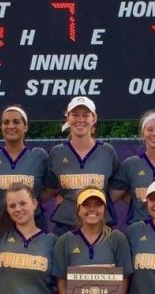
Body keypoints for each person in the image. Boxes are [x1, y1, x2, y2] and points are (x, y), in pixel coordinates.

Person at [53, 187, 133, 294]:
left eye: (98, 205)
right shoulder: (65, 240)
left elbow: (124, 278)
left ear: (105, 209)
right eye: (86, 205)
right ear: (78, 210)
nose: (92, 209)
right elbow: (61, 280)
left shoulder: (117, 239)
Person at [43, 96, 120, 235]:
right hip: (66, 225)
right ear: (68, 118)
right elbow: (50, 188)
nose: (80, 119)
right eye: (75, 115)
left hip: (99, 224)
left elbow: (117, 188)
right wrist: (67, 199)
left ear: (94, 119)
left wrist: (98, 203)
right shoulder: (57, 152)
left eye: (86, 115)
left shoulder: (107, 151)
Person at [0, 105, 48, 230]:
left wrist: (32, 200)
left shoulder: (39, 156)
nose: (11, 126)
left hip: (33, 224)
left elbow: (50, 189)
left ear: (25, 126)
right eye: (6, 122)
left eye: (16, 122)